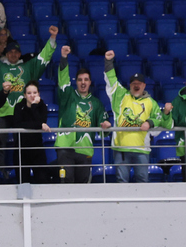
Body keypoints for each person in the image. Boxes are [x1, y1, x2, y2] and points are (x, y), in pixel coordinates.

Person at [104, 52, 171, 183]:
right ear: (130, 85)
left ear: (144, 85)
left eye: (139, 83)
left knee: (142, 182)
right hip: (121, 149)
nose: (136, 85)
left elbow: (160, 119)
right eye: (133, 83)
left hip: (142, 150)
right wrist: (108, 62)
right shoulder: (120, 96)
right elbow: (111, 80)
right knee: (121, 182)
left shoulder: (151, 102)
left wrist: (150, 122)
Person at [54, 47, 108, 183]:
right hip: (65, 148)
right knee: (66, 183)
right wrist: (64, 58)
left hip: (85, 150)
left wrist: (106, 125)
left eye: (86, 80)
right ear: (76, 82)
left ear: (90, 82)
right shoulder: (68, 95)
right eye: (80, 80)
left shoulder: (96, 103)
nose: (83, 82)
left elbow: (104, 127)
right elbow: (63, 80)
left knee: (82, 187)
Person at [12, 82, 49, 184]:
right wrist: (39, 125)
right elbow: (18, 124)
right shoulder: (19, 107)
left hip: (37, 149)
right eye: (29, 93)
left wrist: (34, 106)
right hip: (21, 149)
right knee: (23, 182)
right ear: (24, 95)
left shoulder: (42, 106)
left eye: (35, 93)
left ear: (39, 94)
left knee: (42, 180)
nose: (32, 95)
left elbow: (41, 121)